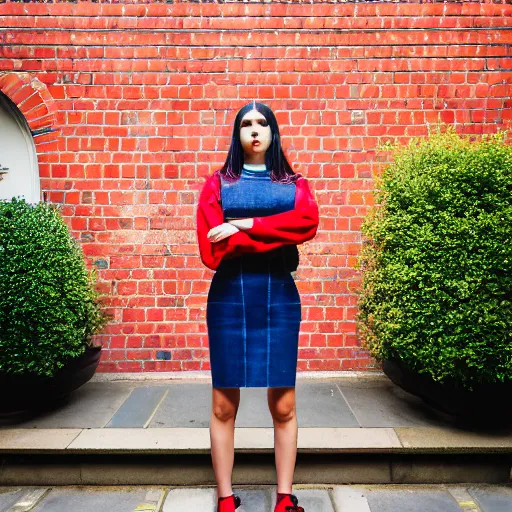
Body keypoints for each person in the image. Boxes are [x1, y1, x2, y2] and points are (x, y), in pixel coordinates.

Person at [196, 101, 319, 512]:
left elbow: (307, 223)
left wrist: (244, 224)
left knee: (283, 404)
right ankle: (226, 499)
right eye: (246, 123)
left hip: (279, 297)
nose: (254, 130)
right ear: (237, 133)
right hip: (229, 296)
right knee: (222, 405)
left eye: (261, 123)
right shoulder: (217, 184)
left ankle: (284, 499)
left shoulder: (294, 183)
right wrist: (276, 233)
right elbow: (212, 251)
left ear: (272, 131)